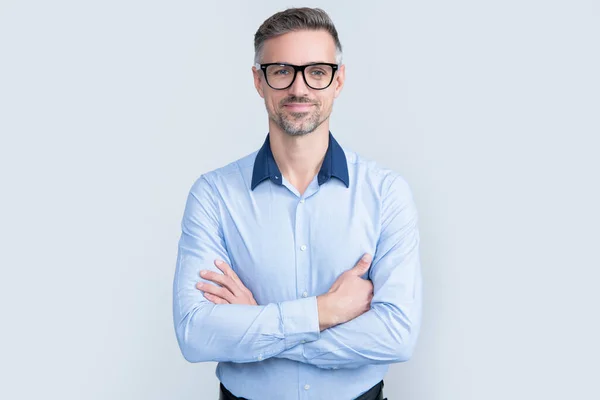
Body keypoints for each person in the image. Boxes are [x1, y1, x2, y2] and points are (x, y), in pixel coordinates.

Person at [172, 7, 422, 400]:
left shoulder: (386, 193)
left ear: (338, 81)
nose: (299, 89)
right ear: (259, 81)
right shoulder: (213, 196)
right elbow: (195, 334)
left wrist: (258, 331)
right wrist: (326, 312)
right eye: (282, 71)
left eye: (317, 72)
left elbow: (396, 336)